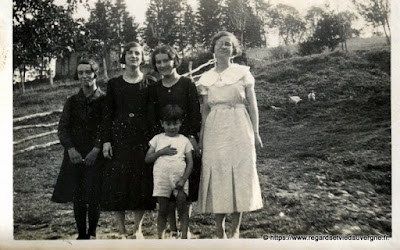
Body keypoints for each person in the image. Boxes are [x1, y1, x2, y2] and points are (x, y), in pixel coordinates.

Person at [197, 31, 264, 239]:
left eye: (228, 44)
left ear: (234, 49)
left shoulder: (243, 73)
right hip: (215, 128)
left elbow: (252, 105)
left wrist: (255, 131)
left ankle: (235, 230)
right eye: (220, 44)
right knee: (217, 173)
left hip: (239, 124)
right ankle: (220, 229)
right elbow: (205, 110)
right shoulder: (206, 78)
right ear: (213, 47)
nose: (224, 47)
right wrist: (201, 136)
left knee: (239, 172)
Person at [101, 42, 156, 239]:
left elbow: (154, 115)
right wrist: (106, 141)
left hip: (142, 138)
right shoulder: (114, 84)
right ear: (124, 57)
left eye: (137, 53)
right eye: (130, 53)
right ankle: (122, 230)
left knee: (140, 182)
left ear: (142, 58)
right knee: (119, 182)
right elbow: (107, 114)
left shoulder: (149, 82)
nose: (133, 56)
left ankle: (138, 229)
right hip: (119, 139)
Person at [149, 45, 201, 239]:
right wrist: (160, 142)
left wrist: (192, 137)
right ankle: (172, 228)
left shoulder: (187, 84)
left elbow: (195, 113)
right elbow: (153, 117)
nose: (162, 65)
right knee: (166, 192)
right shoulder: (154, 89)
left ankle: (184, 228)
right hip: (164, 143)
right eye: (158, 62)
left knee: (184, 190)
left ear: (174, 61)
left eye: (166, 60)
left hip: (185, 141)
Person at [51, 59, 105, 240]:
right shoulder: (72, 101)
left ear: (95, 73)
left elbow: (107, 127)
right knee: (79, 196)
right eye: (80, 73)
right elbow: (63, 128)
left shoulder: (104, 100)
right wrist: (71, 150)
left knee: (94, 195)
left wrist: (96, 149)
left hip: (95, 155)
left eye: (88, 72)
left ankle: (93, 233)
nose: (84, 76)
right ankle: (82, 235)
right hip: (75, 156)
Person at [145, 104, 193, 239]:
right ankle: (160, 238)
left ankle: (184, 236)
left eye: (175, 124)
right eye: (168, 124)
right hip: (162, 179)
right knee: (163, 209)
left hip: (179, 180)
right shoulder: (157, 139)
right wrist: (161, 152)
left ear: (180, 123)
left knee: (182, 208)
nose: (172, 127)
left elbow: (190, 162)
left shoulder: (184, 140)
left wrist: (183, 179)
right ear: (162, 123)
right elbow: (148, 158)